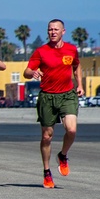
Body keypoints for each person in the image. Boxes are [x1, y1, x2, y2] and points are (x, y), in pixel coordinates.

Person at [24, 19, 82, 189]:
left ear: (63, 31)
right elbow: (27, 72)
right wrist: (32, 72)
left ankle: (63, 155)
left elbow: (77, 66)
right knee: (46, 136)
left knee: (71, 129)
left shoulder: (71, 49)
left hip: (67, 95)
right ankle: (47, 171)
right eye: (50, 29)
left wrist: (80, 84)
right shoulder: (41, 51)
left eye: (56, 29)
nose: (53, 32)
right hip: (47, 97)